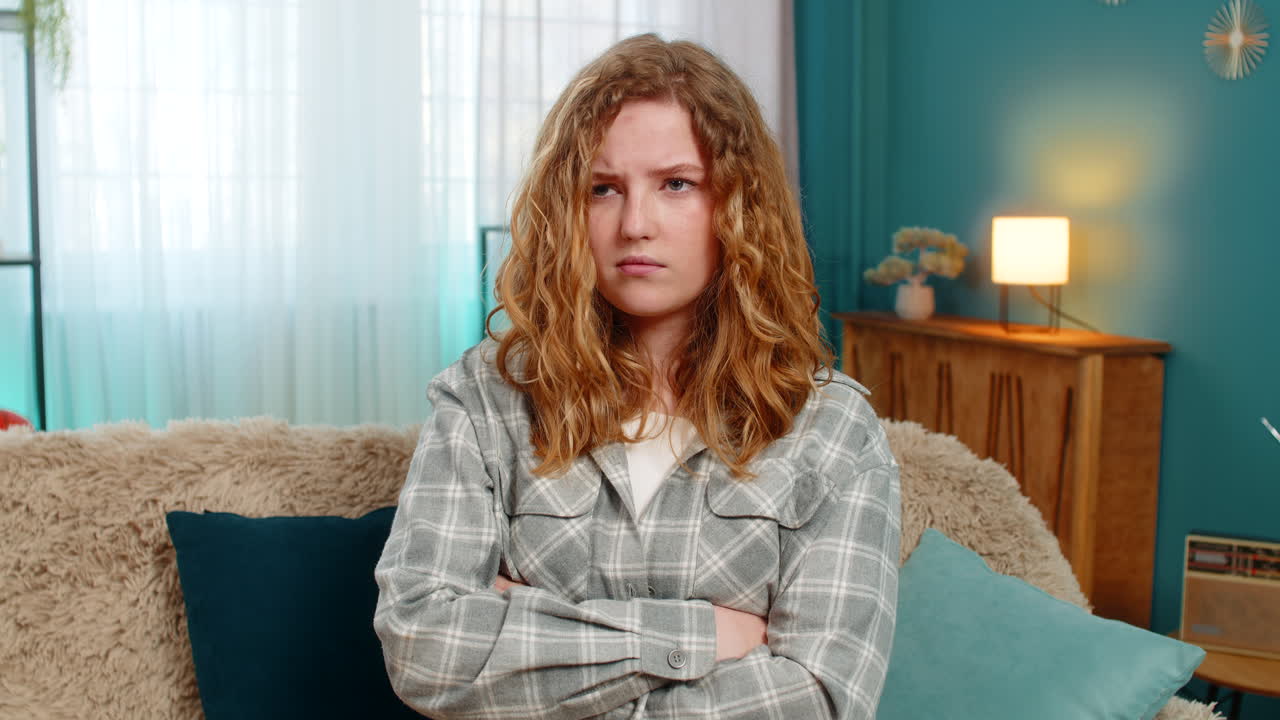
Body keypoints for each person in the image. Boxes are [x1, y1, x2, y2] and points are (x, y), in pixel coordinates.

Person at [374, 33, 900, 719]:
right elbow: (423, 646)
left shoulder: (834, 429)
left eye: (677, 184)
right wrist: (700, 636)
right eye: (604, 189)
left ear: (738, 206)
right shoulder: (483, 398)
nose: (635, 224)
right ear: (569, 211)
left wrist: (528, 622)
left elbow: (822, 699)